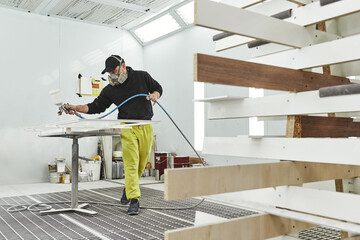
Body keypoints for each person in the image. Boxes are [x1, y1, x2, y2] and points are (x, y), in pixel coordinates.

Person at [65, 55, 162, 215]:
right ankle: (134, 200)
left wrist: (155, 95)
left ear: (123, 66)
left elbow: (158, 87)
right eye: (110, 73)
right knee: (131, 163)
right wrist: (75, 107)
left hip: (146, 125)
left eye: (114, 71)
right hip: (126, 127)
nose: (113, 75)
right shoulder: (110, 89)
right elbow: (95, 106)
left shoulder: (141, 76)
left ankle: (128, 188)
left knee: (141, 164)